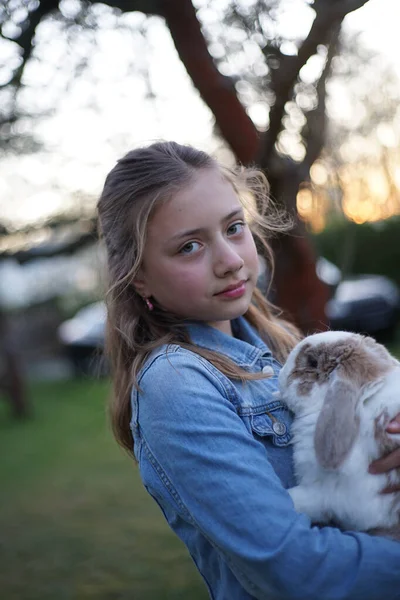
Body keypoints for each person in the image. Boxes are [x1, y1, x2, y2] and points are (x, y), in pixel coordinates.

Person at [97, 141, 400, 600]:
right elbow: (292, 570)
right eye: (190, 246)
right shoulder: (175, 384)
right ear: (139, 276)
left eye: (234, 227)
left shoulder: (279, 342)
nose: (231, 260)